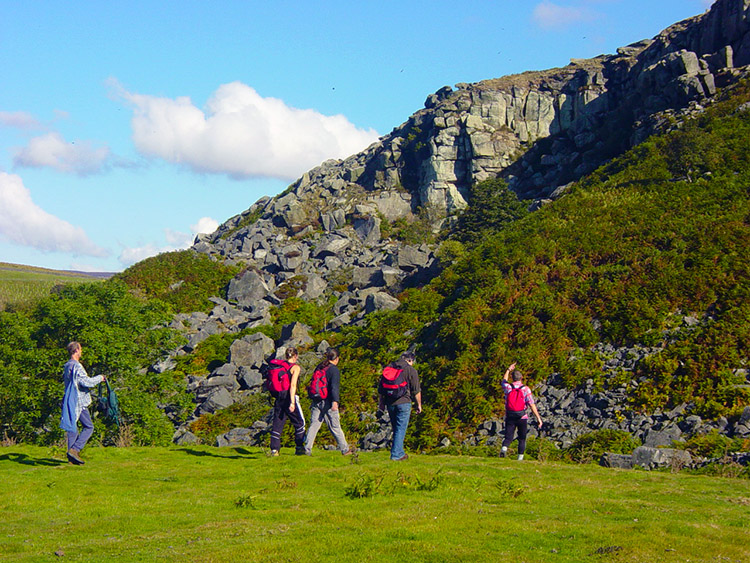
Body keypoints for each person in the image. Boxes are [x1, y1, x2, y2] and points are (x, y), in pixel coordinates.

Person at [59, 341, 105, 465]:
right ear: (76, 350)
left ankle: (72, 458)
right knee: (88, 427)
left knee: (73, 428)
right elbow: (86, 382)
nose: (81, 351)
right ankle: (75, 450)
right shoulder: (76, 366)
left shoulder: (67, 365)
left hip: (70, 399)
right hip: (78, 400)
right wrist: (100, 378)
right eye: (80, 349)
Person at [303, 348, 354, 456]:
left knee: (314, 425)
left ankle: (307, 449)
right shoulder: (334, 370)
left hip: (316, 400)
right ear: (337, 358)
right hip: (328, 401)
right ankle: (345, 450)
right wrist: (335, 401)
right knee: (335, 427)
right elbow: (334, 387)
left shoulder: (320, 366)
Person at [378, 351, 422, 461]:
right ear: (410, 360)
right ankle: (396, 454)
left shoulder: (389, 367)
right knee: (401, 429)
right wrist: (419, 405)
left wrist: (381, 405)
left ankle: (399, 452)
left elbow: (381, 389)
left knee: (396, 428)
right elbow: (416, 391)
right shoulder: (410, 370)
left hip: (390, 403)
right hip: (404, 402)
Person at [499, 362, 543, 460]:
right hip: (522, 416)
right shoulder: (525, 389)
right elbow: (531, 404)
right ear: (521, 377)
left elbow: (503, 381)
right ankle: (520, 458)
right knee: (522, 438)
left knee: (508, 436)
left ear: (512, 378)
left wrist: (508, 369)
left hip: (510, 415)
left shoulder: (508, 387)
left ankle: (504, 447)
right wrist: (538, 418)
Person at [269, 347, 306, 456]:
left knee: (278, 422)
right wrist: (292, 402)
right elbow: (293, 385)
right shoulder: (295, 368)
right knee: (299, 422)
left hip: (279, 396)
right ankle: (299, 447)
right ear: (295, 356)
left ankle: (274, 450)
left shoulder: (280, 366)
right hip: (289, 396)